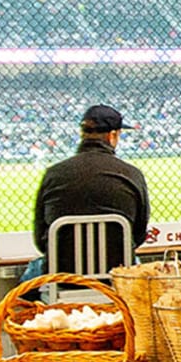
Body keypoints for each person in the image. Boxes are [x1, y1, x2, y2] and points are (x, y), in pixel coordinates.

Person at [29, 104, 149, 279]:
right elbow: (138, 233)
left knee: (31, 273)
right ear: (113, 136)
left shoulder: (54, 173)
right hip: (117, 275)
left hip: (61, 275)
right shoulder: (131, 174)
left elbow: (41, 239)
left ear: (82, 134)